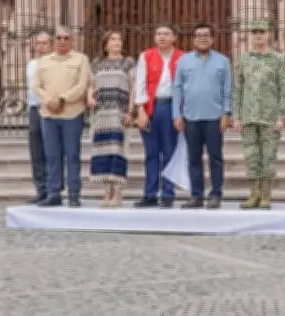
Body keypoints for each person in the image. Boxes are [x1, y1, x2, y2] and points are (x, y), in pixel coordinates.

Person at [232, 19, 285, 210]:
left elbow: (284, 88)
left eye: (262, 31)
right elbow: (238, 88)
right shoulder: (245, 59)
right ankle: (254, 194)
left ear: (268, 34)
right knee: (251, 156)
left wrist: (282, 116)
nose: (258, 35)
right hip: (249, 116)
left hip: (269, 117)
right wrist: (236, 115)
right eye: (254, 32)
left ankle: (266, 195)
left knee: (268, 156)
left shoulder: (277, 59)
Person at [172, 23, 232, 209]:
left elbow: (228, 89)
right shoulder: (183, 61)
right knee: (194, 158)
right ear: (193, 39)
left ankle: (215, 194)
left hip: (215, 118)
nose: (202, 38)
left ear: (212, 39)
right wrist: (177, 114)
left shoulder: (223, 61)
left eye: (206, 35)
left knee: (215, 157)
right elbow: (177, 89)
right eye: (198, 35)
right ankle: (196, 196)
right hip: (191, 118)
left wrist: (226, 112)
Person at [33, 26, 92, 207]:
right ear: (54, 40)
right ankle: (54, 193)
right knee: (52, 155)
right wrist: (49, 100)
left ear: (71, 41)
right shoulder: (43, 61)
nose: (62, 41)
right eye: (59, 38)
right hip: (48, 115)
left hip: (72, 114)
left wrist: (62, 99)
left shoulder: (81, 59)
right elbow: (36, 86)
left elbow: (82, 85)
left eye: (66, 38)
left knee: (72, 155)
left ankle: (74, 194)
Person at [133, 23, 184, 208]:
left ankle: (168, 194)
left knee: (169, 152)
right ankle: (150, 193)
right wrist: (141, 110)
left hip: (171, 107)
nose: (162, 37)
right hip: (152, 106)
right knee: (151, 153)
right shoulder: (146, 56)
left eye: (166, 34)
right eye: (158, 34)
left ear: (174, 37)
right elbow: (140, 84)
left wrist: (181, 113)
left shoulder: (182, 58)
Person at [87, 31, 135, 208]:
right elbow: (90, 84)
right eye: (113, 39)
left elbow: (133, 87)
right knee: (102, 150)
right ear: (106, 44)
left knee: (118, 150)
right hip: (101, 114)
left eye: (119, 39)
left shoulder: (128, 62)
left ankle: (118, 192)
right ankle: (106, 190)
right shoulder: (97, 63)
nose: (117, 42)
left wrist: (130, 111)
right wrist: (89, 97)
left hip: (119, 113)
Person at [25, 31, 54, 204]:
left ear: (51, 45)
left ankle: (53, 188)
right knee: (36, 151)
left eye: (44, 43)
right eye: (38, 43)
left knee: (50, 150)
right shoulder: (31, 64)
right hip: (34, 109)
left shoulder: (54, 63)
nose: (41, 47)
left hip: (50, 109)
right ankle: (41, 189)